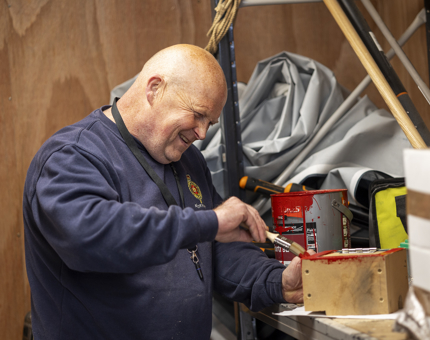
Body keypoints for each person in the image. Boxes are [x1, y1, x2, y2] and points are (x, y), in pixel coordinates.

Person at [23, 44, 309, 340]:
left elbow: (221, 249)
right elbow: (95, 236)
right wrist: (209, 222)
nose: (202, 134)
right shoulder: (72, 156)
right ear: (155, 89)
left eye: (209, 122)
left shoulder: (188, 161)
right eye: (197, 114)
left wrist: (277, 282)